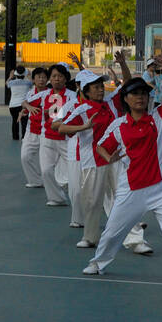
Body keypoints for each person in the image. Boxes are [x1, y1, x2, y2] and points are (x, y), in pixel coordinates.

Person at [87, 60, 162, 290]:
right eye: (135, 94)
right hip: (131, 188)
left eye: (144, 94)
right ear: (125, 99)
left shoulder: (158, 117)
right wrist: (109, 158)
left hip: (160, 188)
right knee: (113, 232)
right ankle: (98, 262)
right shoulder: (119, 125)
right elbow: (100, 146)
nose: (140, 98)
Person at [55, 69, 123, 249]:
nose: (101, 90)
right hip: (92, 161)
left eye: (101, 86)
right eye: (96, 87)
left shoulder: (112, 103)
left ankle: (135, 239)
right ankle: (90, 237)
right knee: (92, 201)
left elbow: (127, 87)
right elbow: (61, 128)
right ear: (85, 91)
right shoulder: (81, 109)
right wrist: (84, 127)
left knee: (123, 197)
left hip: (116, 159)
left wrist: (123, 65)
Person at [36, 64, 77, 208]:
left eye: (60, 76)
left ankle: (81, 198)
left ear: (65, 79)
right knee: (46, 170)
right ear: (50, 79)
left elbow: (59, 115)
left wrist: (50, 112)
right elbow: (28, 103)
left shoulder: (72, 96)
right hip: (47, 137)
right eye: (53, 76)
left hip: (66, 139)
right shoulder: (45, 94)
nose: (57, 79)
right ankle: (57, 198)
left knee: (72, 172)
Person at [19, 67, 50, 189]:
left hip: (46, 131)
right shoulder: (31, 92)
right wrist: (24, 111)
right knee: (25, 156)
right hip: (31, 130)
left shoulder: (52, 94)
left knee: (47, 160)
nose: (41, 80)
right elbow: (25, 106)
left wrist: (43, 111)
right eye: (38, 77)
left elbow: (56, 112)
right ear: (33, 79)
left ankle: (51, 180)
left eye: (44, 77)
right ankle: (36, 181)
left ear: (47, 79)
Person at [6, 66, 31, 141]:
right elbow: (32, 82)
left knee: (14, 121)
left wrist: (10, 76)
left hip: (12, 105)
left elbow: (6, 83)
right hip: (23, 105)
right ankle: (24, 136)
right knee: (24, 122)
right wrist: (29, 75)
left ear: (15, 74)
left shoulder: (11, 83)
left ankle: (15, 136)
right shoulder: (27, 83)